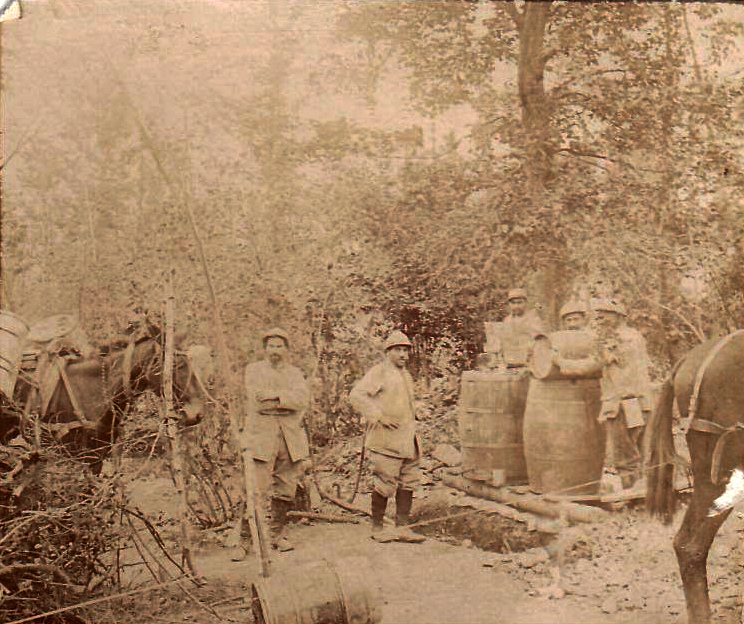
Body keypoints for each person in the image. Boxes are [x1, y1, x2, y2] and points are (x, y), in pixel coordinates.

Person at [349, 330, 425, 543]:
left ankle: (402, 527)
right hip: (386, 439)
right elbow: (356, 396)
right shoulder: (379, 372)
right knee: (385, 481)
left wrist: (417, 410)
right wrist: (378, 416)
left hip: (408, 439)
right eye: (398, 350)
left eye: (405, 350)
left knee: (409, 481)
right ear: (388, 352)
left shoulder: (406, 375)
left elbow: (402, 402)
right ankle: (377, 527)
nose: (403, 355)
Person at [242, 327, 310, 553]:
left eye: (280, 346)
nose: (275, 350)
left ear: (287, 350)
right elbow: (258, 401)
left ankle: (276, 535)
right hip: (261, 434)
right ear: (264, 349)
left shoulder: (295, 373)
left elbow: (301, 399)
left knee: (286, 488)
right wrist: (284, 400)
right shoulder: (254, 370)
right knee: (256, 488)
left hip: (289, 435)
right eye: (271, 346)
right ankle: (247, 540)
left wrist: (275, 397)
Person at [590, 299, 654, 490]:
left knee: (624, 451)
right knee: (638, 449)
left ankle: (633, 494)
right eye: (598, 314)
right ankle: (641, 489)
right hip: (636, 399)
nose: (600, 317)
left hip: (624, 401)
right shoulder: (634, 336)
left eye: (606, 313)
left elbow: (602, 364)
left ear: (620, 316)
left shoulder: (619, 339)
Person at [485, 288, 544, 367]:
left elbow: (540, 341)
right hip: (510, 359)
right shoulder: (507, 320)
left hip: (528, 360)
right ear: (509, 304)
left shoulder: (533, 319)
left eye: (519, 303)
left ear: (526, 303)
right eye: (513, 303)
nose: (516, 306)